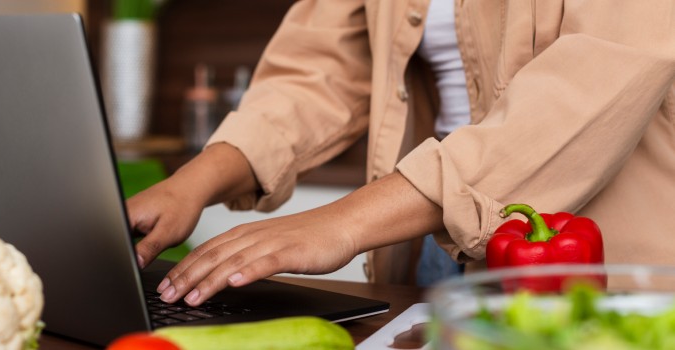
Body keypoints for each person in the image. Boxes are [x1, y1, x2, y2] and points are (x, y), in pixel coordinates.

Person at [126, 0, 675, 307]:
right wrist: (191, 184)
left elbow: (595, 83)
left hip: (601, 269)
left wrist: (341, 223)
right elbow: (322, 71)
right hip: (425, 250)